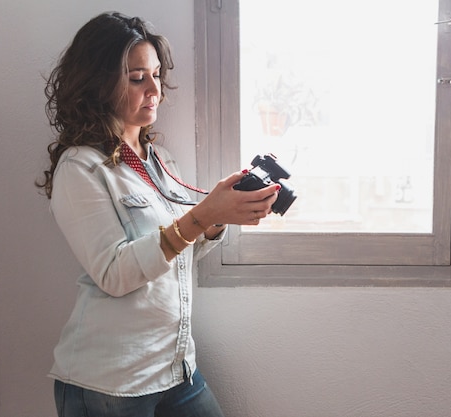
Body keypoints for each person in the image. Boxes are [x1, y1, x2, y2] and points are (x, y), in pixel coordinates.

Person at [36, 11, 279, 417]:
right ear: (100, 84)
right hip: (112, 382)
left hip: (176, 367)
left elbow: (175, 259)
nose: (155, 90)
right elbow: (116, 274)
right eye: (136, 78)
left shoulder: (159, 159)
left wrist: (218, 217)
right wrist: (199, 217)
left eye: (155, 75)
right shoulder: (80, 168)